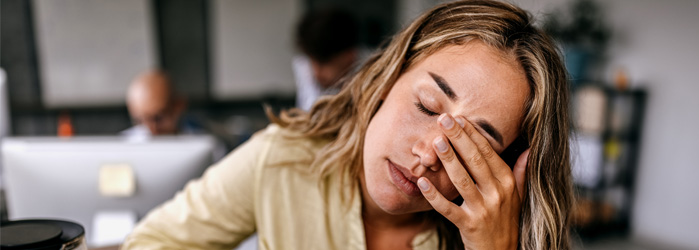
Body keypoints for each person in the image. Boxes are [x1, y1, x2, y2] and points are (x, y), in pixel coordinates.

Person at [122, 0, 573, 249]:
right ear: (384, 81)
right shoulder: (284, 159)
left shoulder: (495, 238)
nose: (428, 155)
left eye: (472, 143)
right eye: (427, 106)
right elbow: (152, 243)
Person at [293, 8, 360, 110]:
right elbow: (308, 113)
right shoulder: (304, 65)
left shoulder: (374, 71)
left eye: (323, 63)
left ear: (349, 56)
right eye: (312, 61)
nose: (316, 72)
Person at [122, 70, 200, 137]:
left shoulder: (202, 140)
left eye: (158, 118)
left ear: (179, 106)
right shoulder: (122, 146)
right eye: (140, 121)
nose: (151, 131)